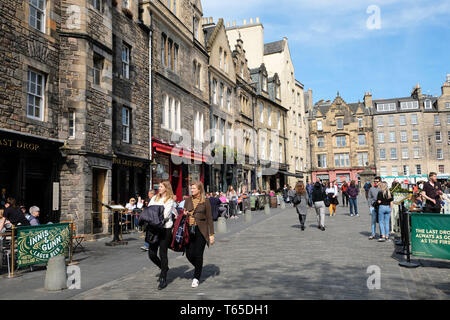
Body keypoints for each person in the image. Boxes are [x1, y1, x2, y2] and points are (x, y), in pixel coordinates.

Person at [183, 181, 215, 288]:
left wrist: (211, 234)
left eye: (194, 188)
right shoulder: (187, 200)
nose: (192, 190)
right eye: (191, 188)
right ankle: (199, 267)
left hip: (201, 230)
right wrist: (184, 214)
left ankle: (196, 278)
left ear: (199, 190)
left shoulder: (205, 201)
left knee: (198, 253)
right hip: (189, 230)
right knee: (189, 254)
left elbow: (209, 218)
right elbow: (184, 213)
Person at [146, 181, 175, 290]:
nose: (159, 188)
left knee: (163, 253)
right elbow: (149, 210)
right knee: (152, 254)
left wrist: (154, 216)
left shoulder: (170, 200)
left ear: (166, 188)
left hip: (164, 229)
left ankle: (163, 278)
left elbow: (166, 215)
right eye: (159, 186)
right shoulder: (154, 198)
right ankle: (164, 268)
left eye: (161, 186)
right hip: (153, 229)